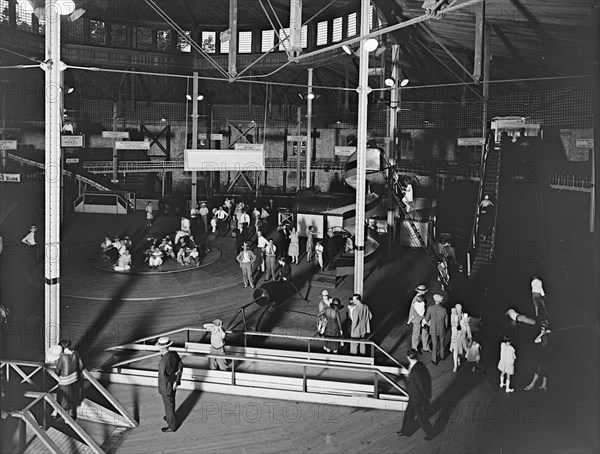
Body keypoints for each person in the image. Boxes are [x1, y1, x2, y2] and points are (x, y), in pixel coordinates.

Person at [397, 349, 435, 441]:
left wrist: (423, 397)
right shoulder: (420, 365)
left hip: (417, 397)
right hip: (414, 396)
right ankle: (405, 430)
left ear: (408, 357)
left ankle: (430, 434)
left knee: (421, 418)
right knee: (409, 413)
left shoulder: (415, 371)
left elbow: (419, 385)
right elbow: (427, 379)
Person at [157, 336, 183, 432]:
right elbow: (180, 366)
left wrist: (172, 380)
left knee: (168, 404)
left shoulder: (162, 362)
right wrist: (176, 381)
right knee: (171, 402)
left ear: (162, 348)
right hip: (173, 385)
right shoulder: (174, 354)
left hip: (166, 386)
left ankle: (172, 425)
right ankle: (169, 416)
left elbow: (163, 377)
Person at [53, 339, 83, 419]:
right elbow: (81, 365)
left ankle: (61, 415)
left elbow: (58, 368)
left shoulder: (62, 356)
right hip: (74, 378)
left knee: (61, 397)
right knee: (71, 395)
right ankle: (71, 415)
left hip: (65, 380)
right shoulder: (76, 353)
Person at [524, 320, 551, 391]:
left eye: (542, 329)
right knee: (545, 369)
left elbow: (535, 340)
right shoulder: (550, 334)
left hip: (543, 355)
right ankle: (544, 385)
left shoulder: (544, 336)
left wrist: (541, 334)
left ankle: (532, 385)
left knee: (538, 370)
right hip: (549, 354)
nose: (541, 330)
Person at [424, 294, 448, 365]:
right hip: (441, 329)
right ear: (440, 301)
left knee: (434, 344)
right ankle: (442, 356)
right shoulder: (444, 310)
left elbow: (427, 319)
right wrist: (445, 328)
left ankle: (434, 360)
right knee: (442, 342)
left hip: (433, 329)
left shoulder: (430, 308)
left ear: (434, 300)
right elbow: (446, 322)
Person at [449, 303, 472, 372]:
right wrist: (457, 319)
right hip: (455, 336)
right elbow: (453, 325)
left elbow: (467, 326)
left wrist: (469, 335)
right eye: (458, 310)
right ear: (456, 309)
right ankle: (455, 365)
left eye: (460, 309)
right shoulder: (453, 316)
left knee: (461, 350)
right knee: (455, 351)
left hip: (462, 336)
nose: (459, 311)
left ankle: (458, 359)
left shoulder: (465, 316)